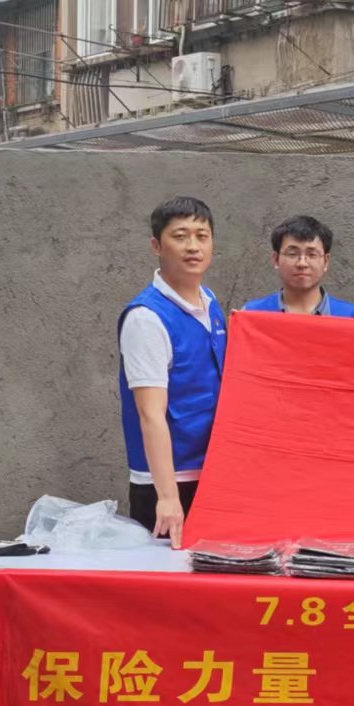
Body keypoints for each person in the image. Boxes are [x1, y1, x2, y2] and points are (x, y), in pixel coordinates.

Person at [117, 196, 228, 544]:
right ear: (156, 246)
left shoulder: (210, 302)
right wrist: (167, 497)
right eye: (180, 236)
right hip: (169, 484)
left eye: (202, 236)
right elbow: (150, 414)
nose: (193, 246)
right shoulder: (146, 318)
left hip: (211, 473)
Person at [243, 216, 354, 317]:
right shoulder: (251, 314)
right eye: (292, 254)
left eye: (312, 255)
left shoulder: (351, 317)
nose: (302, 263)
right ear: (276, 259)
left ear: (326, 261)